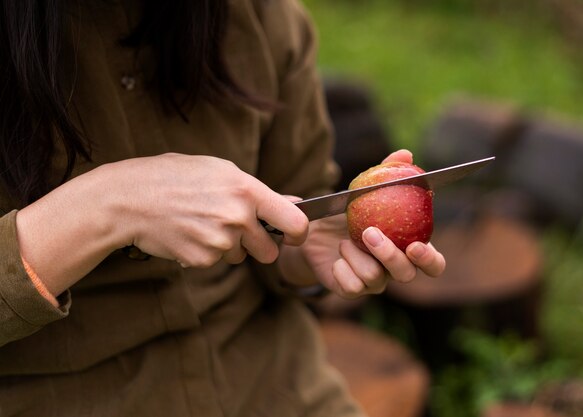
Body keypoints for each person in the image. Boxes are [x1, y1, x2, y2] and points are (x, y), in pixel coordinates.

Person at [0, 0, 446, 415]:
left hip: (278, 391)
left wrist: (305, 248)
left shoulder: (258, 15)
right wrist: (108, 206)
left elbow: (294, 197)